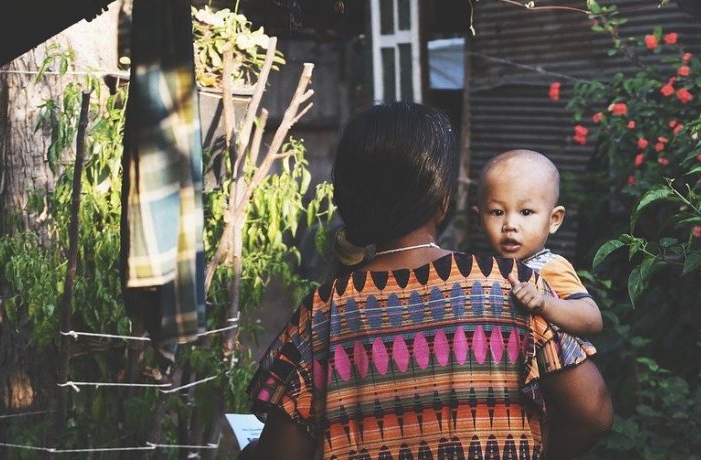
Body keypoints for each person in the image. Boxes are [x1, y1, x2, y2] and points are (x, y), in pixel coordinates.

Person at [246, 103, 612, 460]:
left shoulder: (325, 311)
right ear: (443, 200)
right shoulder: (512, 287)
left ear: (347, 200)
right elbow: (592, 412)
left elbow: (282, 449)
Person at [474, 150, 602, 338]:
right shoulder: (484, 270)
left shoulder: (550, 267)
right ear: (479, 221)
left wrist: (543, 302)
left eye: (525, 212)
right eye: (497, 212)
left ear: (554, 220)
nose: (510, 225)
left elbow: (592, 319)